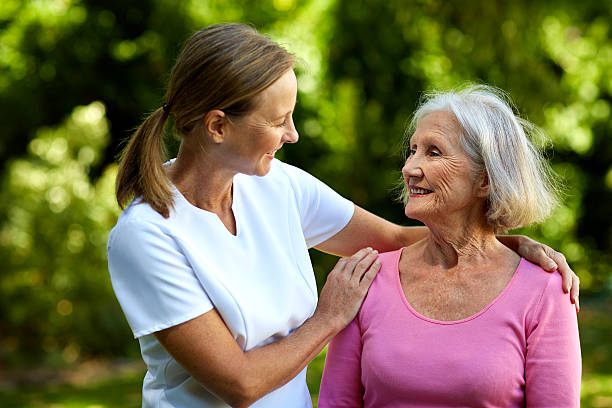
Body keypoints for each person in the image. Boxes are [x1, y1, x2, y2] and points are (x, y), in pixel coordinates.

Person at [107, 24, 578, 408]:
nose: (292, 134)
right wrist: (328, 318)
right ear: (216, 126)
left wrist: (505, 248)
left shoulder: (278, 186)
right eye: (277, 121)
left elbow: (397, 238)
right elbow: (240, 385)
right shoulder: (147, 236)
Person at [318, 85, 582, 407]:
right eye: (413, 150)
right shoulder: (366, 279)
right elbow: (337, 402)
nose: (409, 168)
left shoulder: (545, 291)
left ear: (485, 179)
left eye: (433, 152)